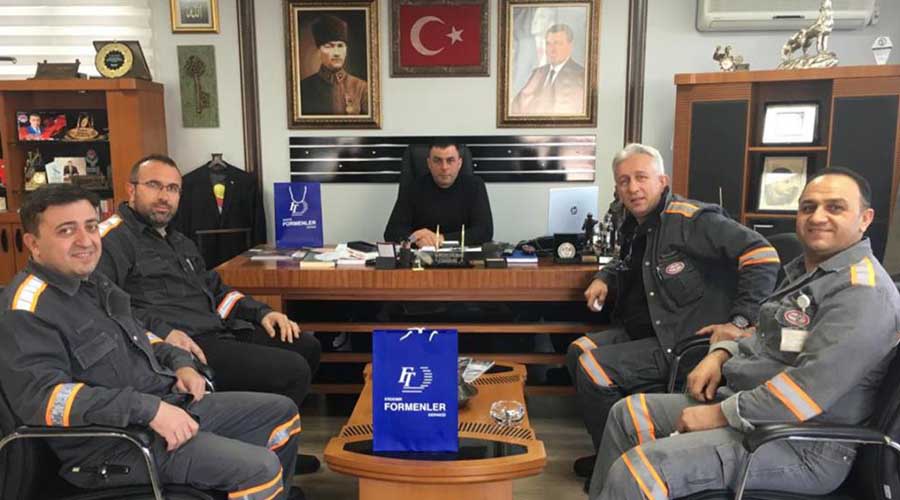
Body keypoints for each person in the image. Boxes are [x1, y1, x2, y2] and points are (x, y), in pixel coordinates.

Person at [589, 167, 900, 499]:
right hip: (752, 408)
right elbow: (766, 337)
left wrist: (718, 414)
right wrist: (721, 354)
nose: (817, 217)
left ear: (865, 219)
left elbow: (804, 393)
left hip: (800, 443)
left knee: (640, 468)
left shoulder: (861, 293)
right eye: (808, 207)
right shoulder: (809, 272)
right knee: (628, 414)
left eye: (835, 207)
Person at [0, 184, 303, 499]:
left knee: (281, 413)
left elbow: (138, 333)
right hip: (115, 445)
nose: (85, 241)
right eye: (66, 230)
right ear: (33, 244)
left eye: (90, 227)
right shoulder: (26, 309)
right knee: (259, 468)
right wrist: (148, 410)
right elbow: (44, 400)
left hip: (162, 405)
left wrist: (180, 363)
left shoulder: (92, 281)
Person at [566, 143, 780, 483]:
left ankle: (622, 470)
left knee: (593, 368)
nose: (633, 188)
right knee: (577, 351)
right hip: (648, 327)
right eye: (624, 181)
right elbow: (625, 261)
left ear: (662, 181)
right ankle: (609, 449)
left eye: (641, 178)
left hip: (681, 338)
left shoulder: (691, 219)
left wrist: (740, 321)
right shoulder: (633, 221)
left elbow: (762, 254)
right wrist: (604, 277)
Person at [96, 154, 322, 472]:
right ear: (131, 189)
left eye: (172, 189)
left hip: (217, 330)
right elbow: (108, 309)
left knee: (305, 345)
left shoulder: (178, 240)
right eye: (154, 185)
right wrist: (163, 333)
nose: (164, 196)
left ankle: (270, 443)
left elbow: (216, 291)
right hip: (182, 346)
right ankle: (263, 457)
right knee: (291, 370)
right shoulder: (110, 241)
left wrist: (261, 313)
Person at [384, 140, 494, 247]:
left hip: (463, 256)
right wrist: (415, 238)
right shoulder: (412, 188)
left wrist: (441, 239)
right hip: (421, 256)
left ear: (459, 163)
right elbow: (391, 233)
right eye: (437, 161)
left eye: (450, 160)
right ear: (429, 163)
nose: (444, 167)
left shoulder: (475, 186)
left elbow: (485, 231)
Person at [300, 14, 368, 115]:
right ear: (318, 51)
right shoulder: (303, 88)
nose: (336, 53)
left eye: (340, 46)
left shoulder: (361, 88)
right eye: (329, 46)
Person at [511, 24, 586, 115]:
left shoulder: (581, 75)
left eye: (557, 43)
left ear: (570, 46)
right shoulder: (537, 73)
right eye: (548, 44)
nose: (552, 50)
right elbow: (516, 105)